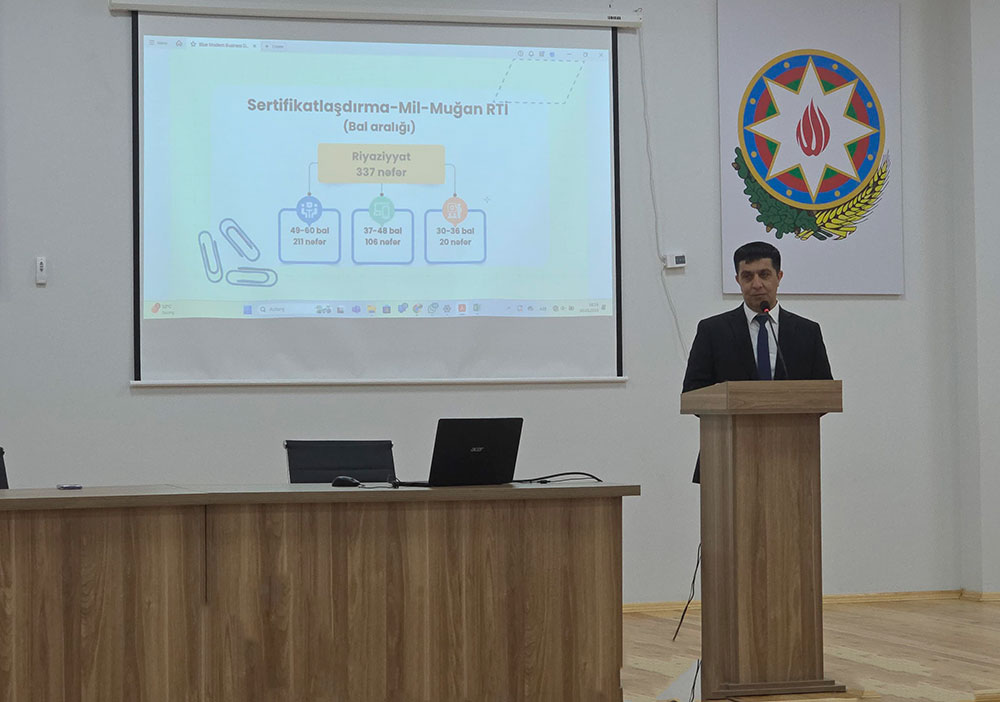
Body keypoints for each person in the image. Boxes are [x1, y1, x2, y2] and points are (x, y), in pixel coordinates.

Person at [682, 241, 832, 482]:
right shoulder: (713, 330)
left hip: (791, 455)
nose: (756, 284)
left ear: (779, 277)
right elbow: (692, 391)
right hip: (727, 452)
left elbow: (823, 392)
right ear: (737, 280)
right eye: (747, 276)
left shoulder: (807, 332)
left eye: (764, 274)